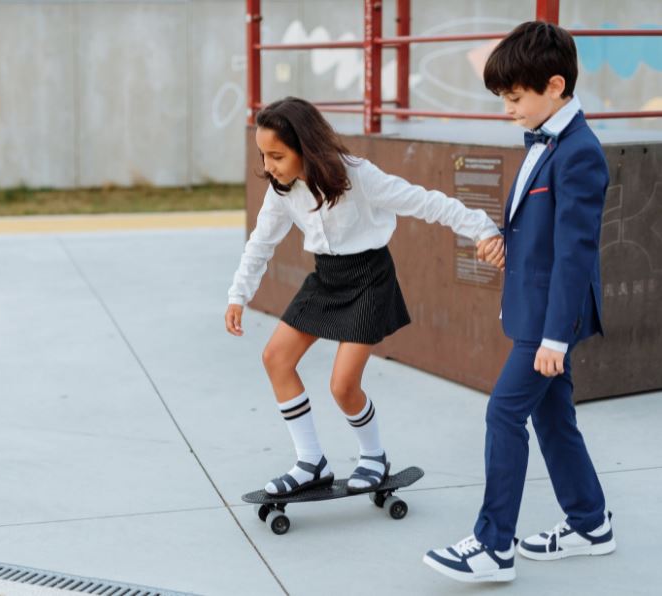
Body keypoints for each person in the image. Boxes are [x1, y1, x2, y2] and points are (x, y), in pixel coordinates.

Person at [225, 96, 503, 498]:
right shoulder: (282, 190)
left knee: (343, 385)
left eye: (277, 156)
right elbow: (261, 242)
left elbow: (425, 202)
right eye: (263, 156)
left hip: (370, 280)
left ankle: (374, 456)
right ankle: (311, 462)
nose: (268, 167)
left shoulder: (357, 176)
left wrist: (482, 229)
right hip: (327, 278)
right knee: (276, 358)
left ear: (306, 148)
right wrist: (238, 294)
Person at [424, 21, 614, 583]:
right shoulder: (544, 139)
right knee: (554, 419)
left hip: (550, 318)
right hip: (536, 306)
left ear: (555, 85)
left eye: (514, 97)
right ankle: (589, 523)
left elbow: (576, 253)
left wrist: (556, 336)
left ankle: (493, 546)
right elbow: (545, 231)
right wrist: (508, 245)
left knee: (504, 413)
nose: (508, 109)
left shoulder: (580, 153)